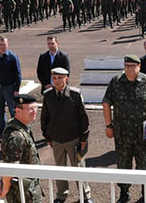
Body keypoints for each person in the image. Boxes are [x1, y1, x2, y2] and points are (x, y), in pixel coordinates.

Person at [102, 55, 146, 203]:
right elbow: (106, 103)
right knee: (123, 163)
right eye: (126, 65)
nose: (129, 68)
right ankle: (124, 193)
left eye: (132, 66)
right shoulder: (116, 82)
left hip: (143, 134)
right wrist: (109, 125)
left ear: (139, 66)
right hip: (122, 133)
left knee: (144, 163)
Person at [41, 68, 93, 203]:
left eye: (60, 78)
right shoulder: (48, 95)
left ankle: (85, 195)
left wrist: (83, 138)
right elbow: (44, 117)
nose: (57, 81)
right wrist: (47, 137)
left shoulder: (75, 95)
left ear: (66, 78)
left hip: (74, 139)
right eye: (54, 78)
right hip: (57, 139)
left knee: (79, 168)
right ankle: (61, 195)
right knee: (60, 168)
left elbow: (83, 117)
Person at [0, 94, 43, 203]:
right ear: (18, 111)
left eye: (36, 108)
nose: (35, 111)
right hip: (23, 193)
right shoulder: (16, 135)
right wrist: (5, 189)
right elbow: (10, 167)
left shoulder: (21, 127)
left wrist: (3, 181)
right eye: (31, 109)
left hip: (26, 189)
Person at [0, 36, 22, 141]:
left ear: (8, 45)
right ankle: (1, 133)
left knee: (13, 111)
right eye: (1, 44)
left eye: (5, 44)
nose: (3, 46)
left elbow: (18, 74)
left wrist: (16, 89)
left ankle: (15, 133)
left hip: (10, 89)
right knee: (0, 112)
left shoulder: (13, 57)